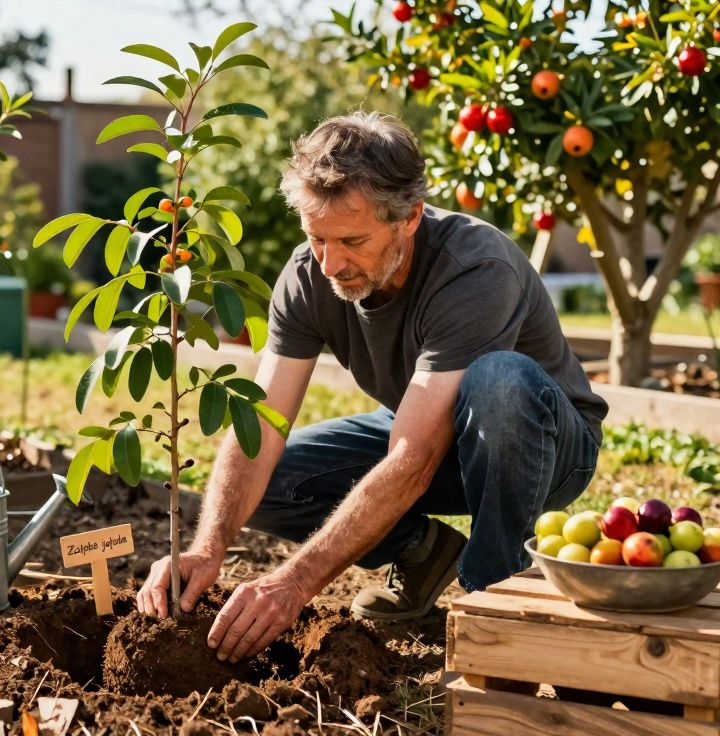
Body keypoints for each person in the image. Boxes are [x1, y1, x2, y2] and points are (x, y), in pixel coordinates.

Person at [134, 111, 607, 663]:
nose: (332, 263)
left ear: (409, 217)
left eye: (353, 240)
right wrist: (206, 547)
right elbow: (260, 424)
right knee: (274, 482)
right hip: (429, 426)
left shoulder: (475, 267)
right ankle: (424, 553)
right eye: (316, 238)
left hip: (542, 444)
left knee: (498, 381)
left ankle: (495, 598)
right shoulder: (309, 276)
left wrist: (294, 582)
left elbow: (414, 459)